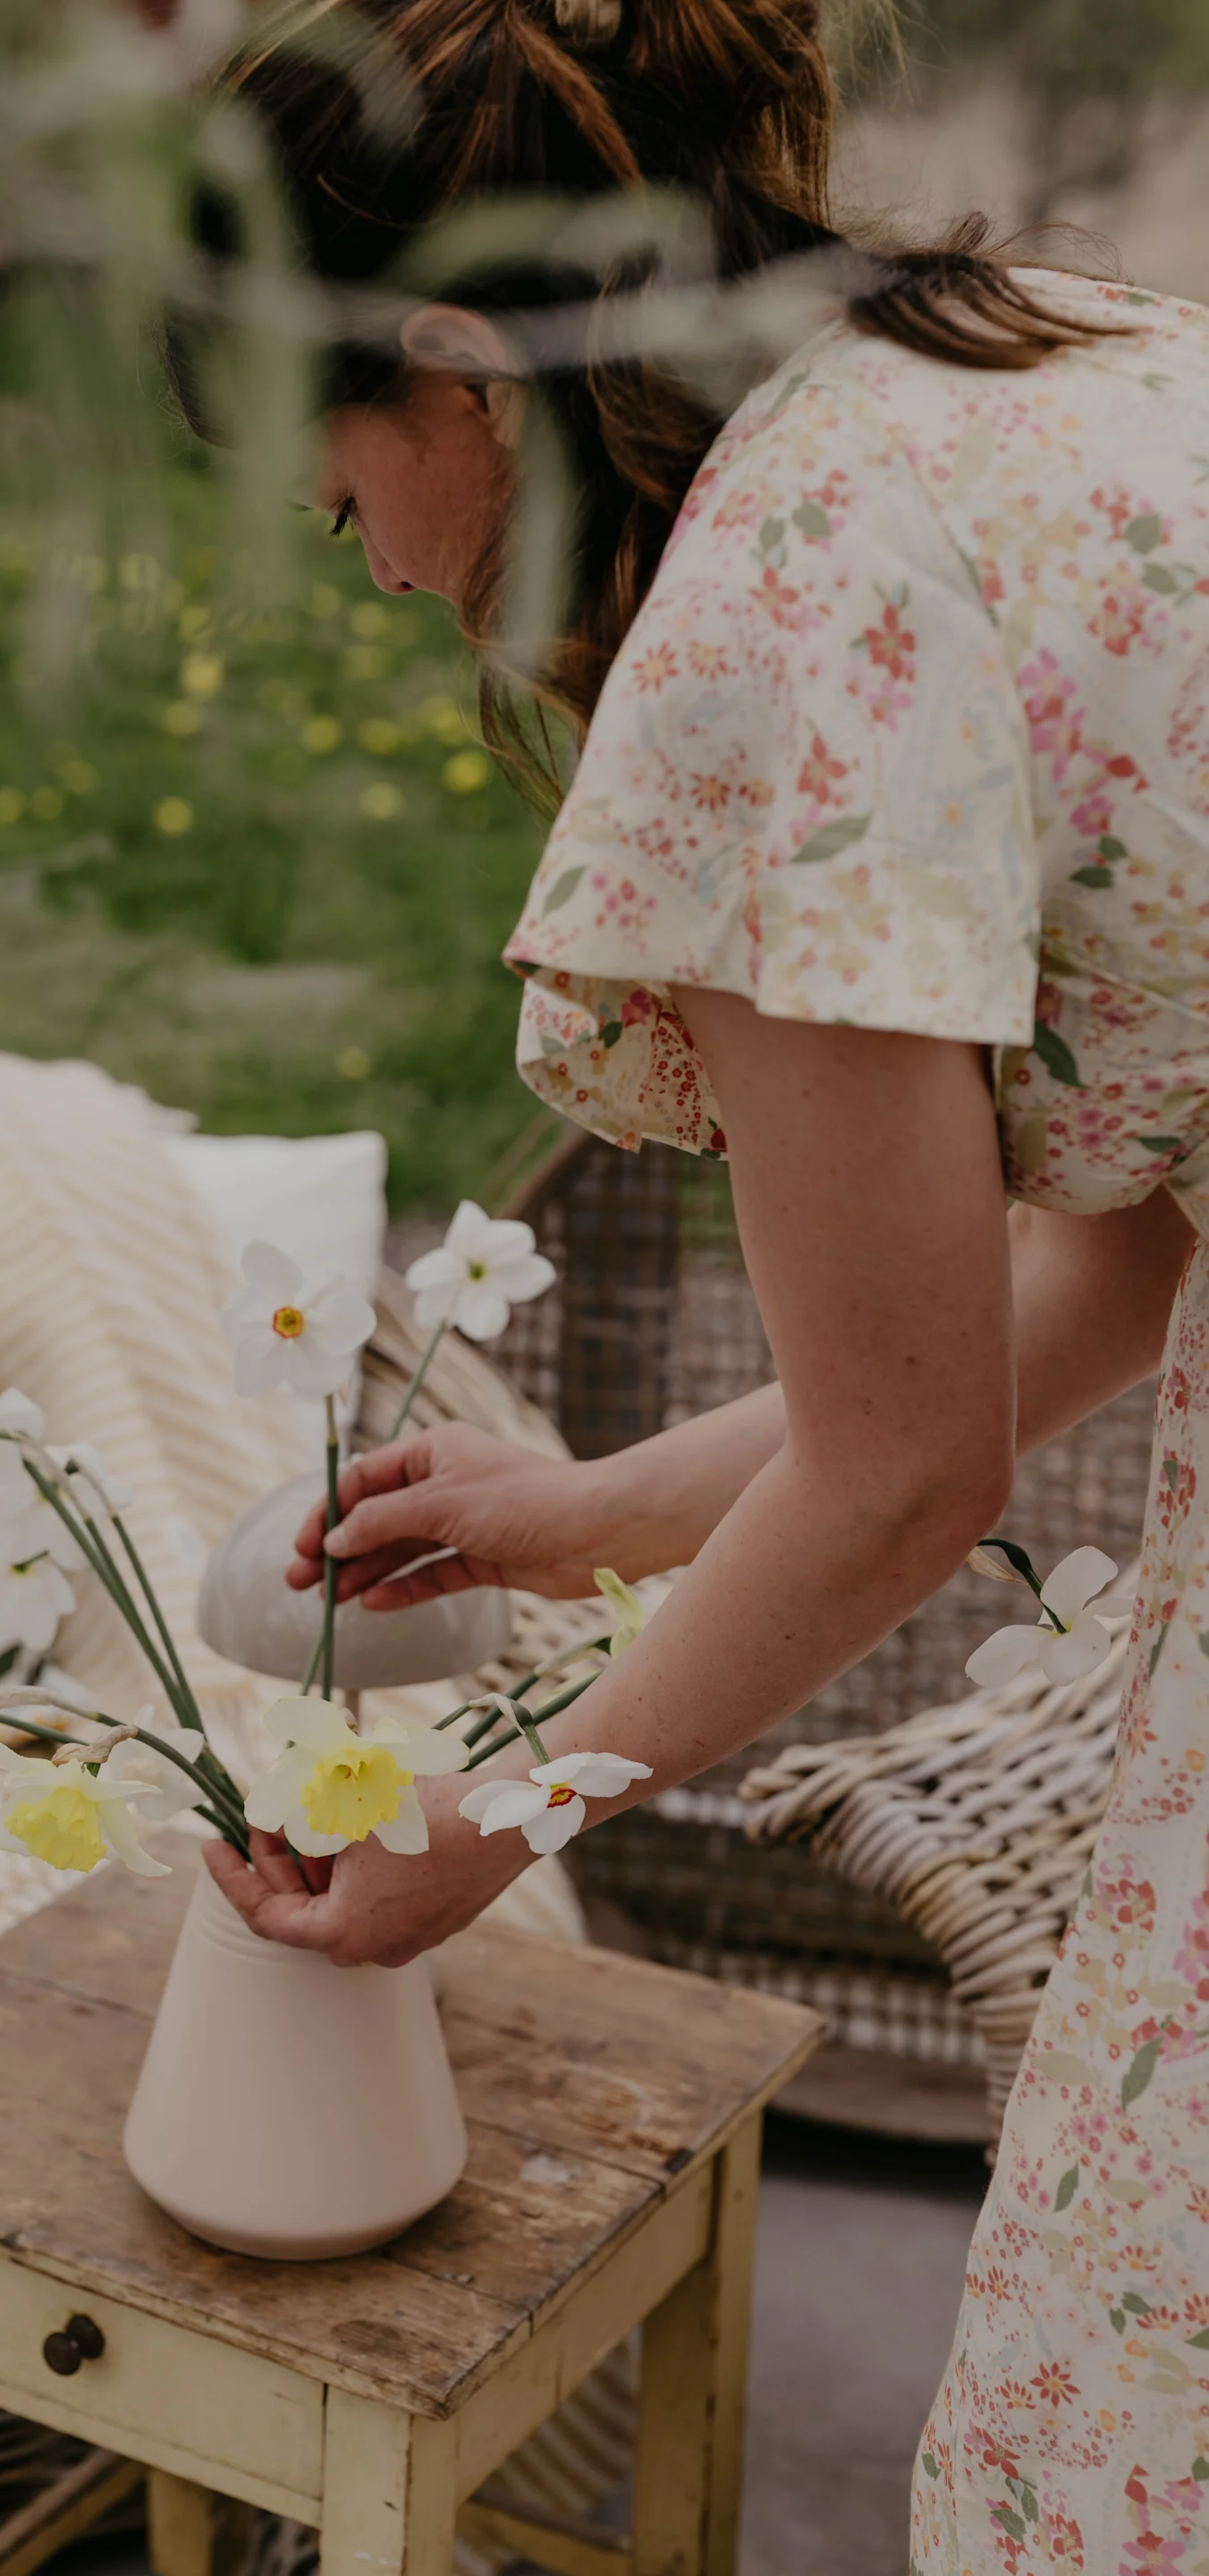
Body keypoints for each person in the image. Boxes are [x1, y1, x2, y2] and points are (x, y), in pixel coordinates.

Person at [173, 0, 1209, 2561]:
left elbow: (905, 1472)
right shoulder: (1023, 362)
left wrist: (481, 1836)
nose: (370, 565)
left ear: (450, 368)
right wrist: (581, 1512)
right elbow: (1104, 1275)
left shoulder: (770, 638)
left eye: (333, 495)